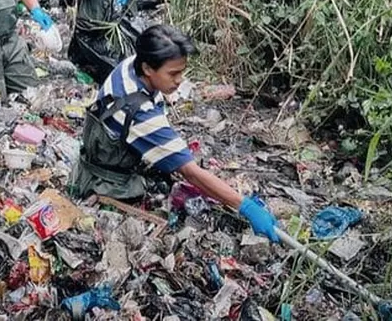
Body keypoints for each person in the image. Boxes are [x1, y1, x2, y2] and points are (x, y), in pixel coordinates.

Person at [71, 24, 279, 242]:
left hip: (102, 155)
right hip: (107, 180)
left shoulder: (131, 66)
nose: (180, 80)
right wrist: (244, 206)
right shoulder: (139, 111)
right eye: (173, 73)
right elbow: (190, 172)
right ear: (148, 68)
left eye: (182, 71)